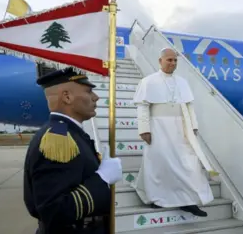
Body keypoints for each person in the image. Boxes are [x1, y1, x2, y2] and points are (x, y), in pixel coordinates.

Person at [23, 67, 123, 234]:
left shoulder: (72, 133)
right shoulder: (58, 138)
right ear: (67, 97)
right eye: (89, 91)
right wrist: (102, 178)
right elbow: (54, 211)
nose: (96, 97)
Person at [131, 47, 214, 217]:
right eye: (169, 60)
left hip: (180, 128)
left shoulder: (182, 82)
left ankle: (189, 201)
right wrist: (144, 129)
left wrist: (194, 126)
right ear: (160, 61)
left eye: (175, 60)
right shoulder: (148, 81)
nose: (173, 63)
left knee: (189, 164)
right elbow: (143, 106)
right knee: (159, 164)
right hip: (158, 128)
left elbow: (189, 106)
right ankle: (158, 199)